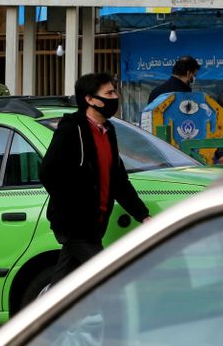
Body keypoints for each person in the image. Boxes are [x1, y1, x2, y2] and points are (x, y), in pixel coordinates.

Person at [41, 72, 150, 285]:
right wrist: (72, 209)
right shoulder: (72, 128)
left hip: (95, 224)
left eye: (114, 92)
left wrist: (142, 215)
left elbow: (118, 181)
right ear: (90, 99)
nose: (114, 97)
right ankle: (116, 319)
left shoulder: (107, 131)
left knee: (64, 285)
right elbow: (48, 172)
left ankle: (47, 317)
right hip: (75, 225)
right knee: (107, 278)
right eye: (108, 93)